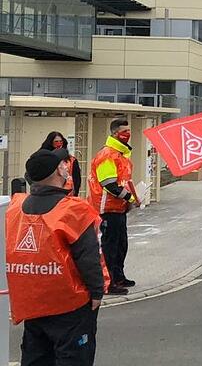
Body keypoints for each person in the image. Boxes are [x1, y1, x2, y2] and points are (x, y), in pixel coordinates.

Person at [6, 149, 104, 365]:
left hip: (32, 302)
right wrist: (97, 291)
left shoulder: (15, 208)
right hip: (69, 304)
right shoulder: (72, 209)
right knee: (73, 357)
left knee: (36, 356)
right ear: (58, 170)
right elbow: (88, 256)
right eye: (64, 165)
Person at [88, 118, 135, 296]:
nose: (128, 135)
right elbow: (109, 184)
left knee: (121, 244)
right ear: (115, 133)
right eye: (124, 132)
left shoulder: (121, 154)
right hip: (107, 208)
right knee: (110, 246)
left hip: (118, 207)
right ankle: (108, 283)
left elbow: (123, 181)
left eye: (129, 131)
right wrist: (129, 197)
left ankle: (118, 276)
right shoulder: (108, 155)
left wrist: (129, 199)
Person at [41, 131, 82, 196]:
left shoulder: (72, 160)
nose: (59, 144)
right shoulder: (43, 157)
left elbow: (77, 179)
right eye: (56, 141)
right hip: (48, 193)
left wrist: (75, 193)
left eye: (61, 141)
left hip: (67, 194)